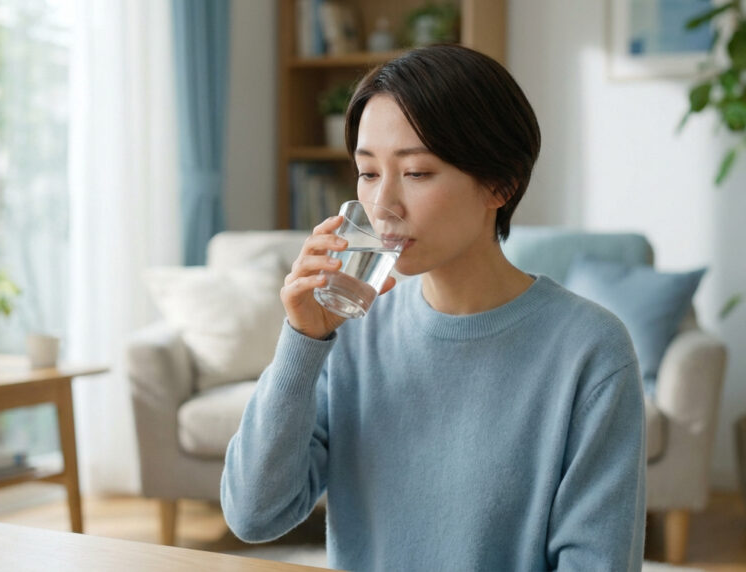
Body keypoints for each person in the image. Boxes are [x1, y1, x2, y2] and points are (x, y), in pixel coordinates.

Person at [221, 44, 646, 571]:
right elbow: (254, 514)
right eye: (368, 173)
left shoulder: (590, 350)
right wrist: (302, 340)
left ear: (501, 183)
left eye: (417, 173)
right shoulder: (351, 328)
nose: (382, 207)